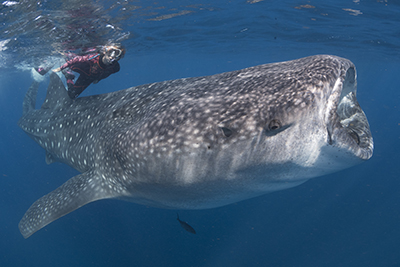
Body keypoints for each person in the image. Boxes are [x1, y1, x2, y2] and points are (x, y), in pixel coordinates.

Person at [53, 44, 125, 99]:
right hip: (83, 67)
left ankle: (69, 77)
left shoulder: (115, 67)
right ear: (105, 52)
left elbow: (107, 73)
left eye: (116, 55)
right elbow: (76, 59)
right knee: (71, 64)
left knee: (72, 95)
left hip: (89, 77)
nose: (112, 57)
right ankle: (67, 71)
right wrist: (60, 68)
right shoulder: (94, 57)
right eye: (110, 53)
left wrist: (98, 79)